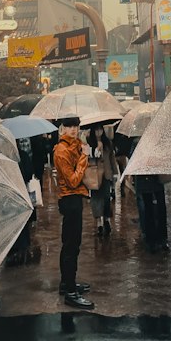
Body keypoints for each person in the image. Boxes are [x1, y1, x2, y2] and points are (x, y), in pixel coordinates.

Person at [53, 117, 94, 309]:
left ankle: (66, 283)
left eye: (76, 126)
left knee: (72, 244)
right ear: (62, 128)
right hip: (69, 199)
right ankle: (70, 291)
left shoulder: (76, 145)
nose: (73, 130)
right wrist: (84, 157)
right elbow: (73, 180)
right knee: (71, 245)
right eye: (69, 126)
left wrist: (83, 147)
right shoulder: (61, 150)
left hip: (76, 199)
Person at [85, 126, 115, 237]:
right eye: (96, 130)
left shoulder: (108, 143)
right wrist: (96, 150)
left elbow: (112, 158)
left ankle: (107, 220)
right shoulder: (88, 143)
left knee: (106, 198)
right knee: (96, 199)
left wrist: (114, 172)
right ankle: (99, 223)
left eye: (100, 130)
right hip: (94, 175)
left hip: (106, 174)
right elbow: (86, 157)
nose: (99, 132)